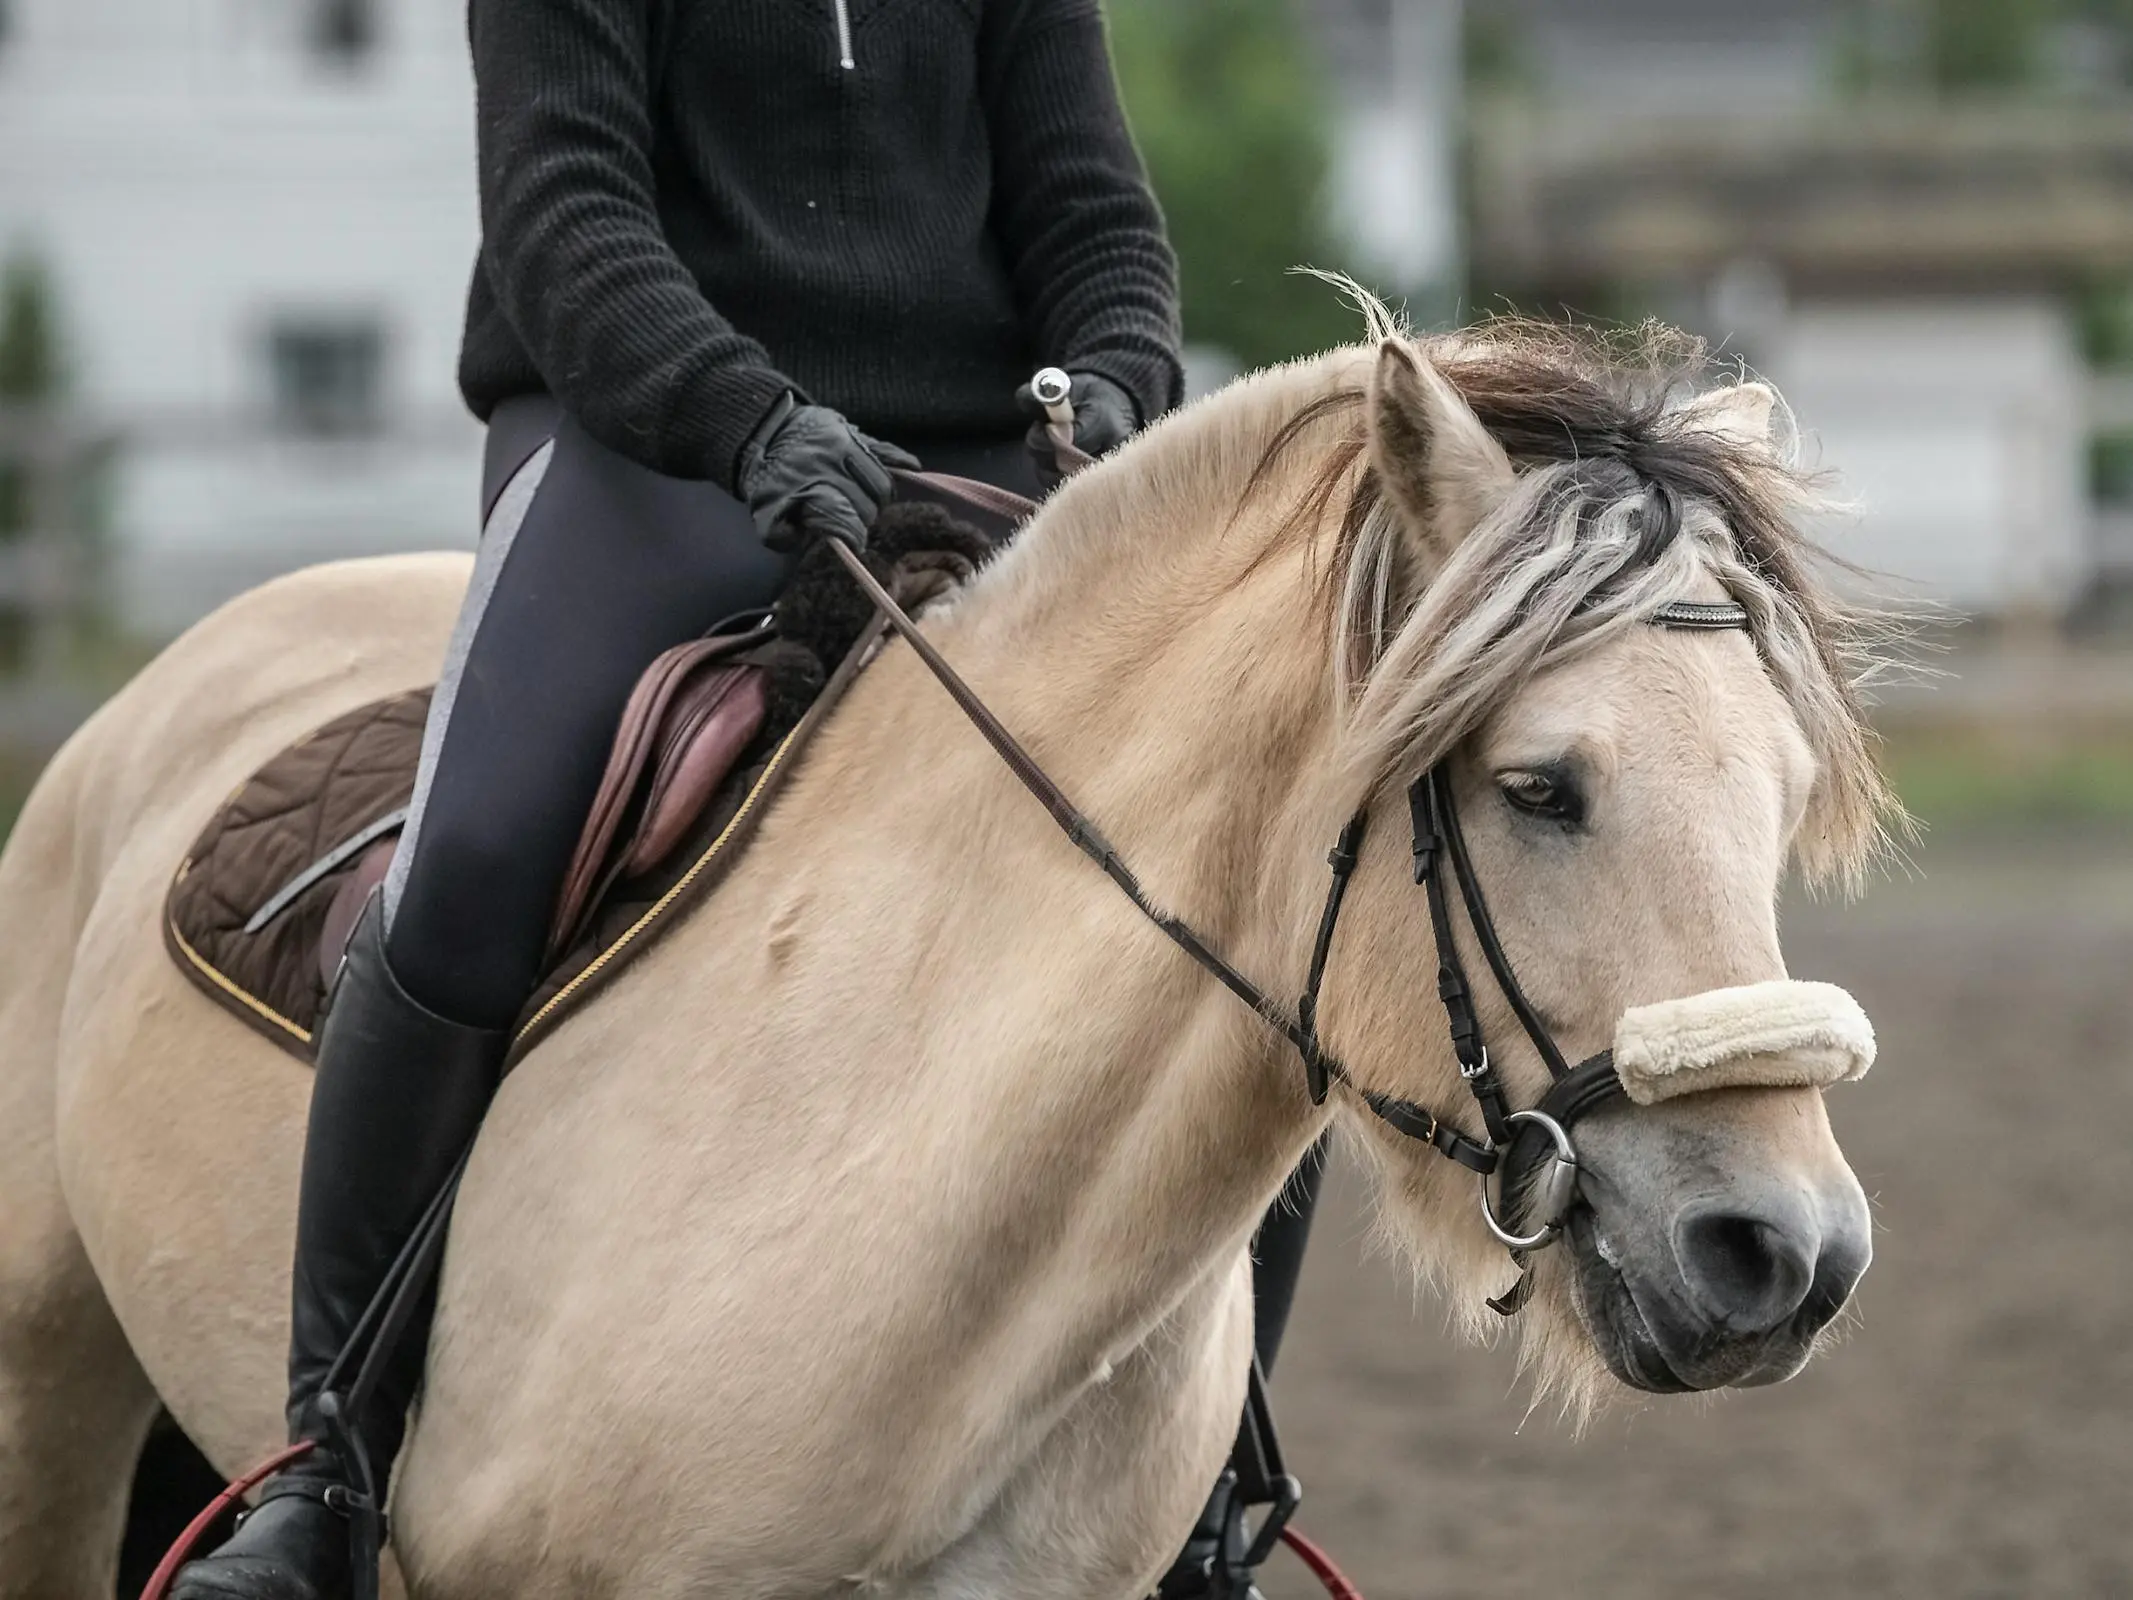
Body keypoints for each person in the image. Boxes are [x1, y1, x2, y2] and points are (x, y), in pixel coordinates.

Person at [172, 4, 1311, 1595]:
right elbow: (568, 217)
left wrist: (1115, 386)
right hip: (654, 445)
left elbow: (1094, 212)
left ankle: (1206, 1506)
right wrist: (744, 419)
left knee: (1247, 904)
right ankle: (328, 1466)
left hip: (975, 458)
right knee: (479, 855)